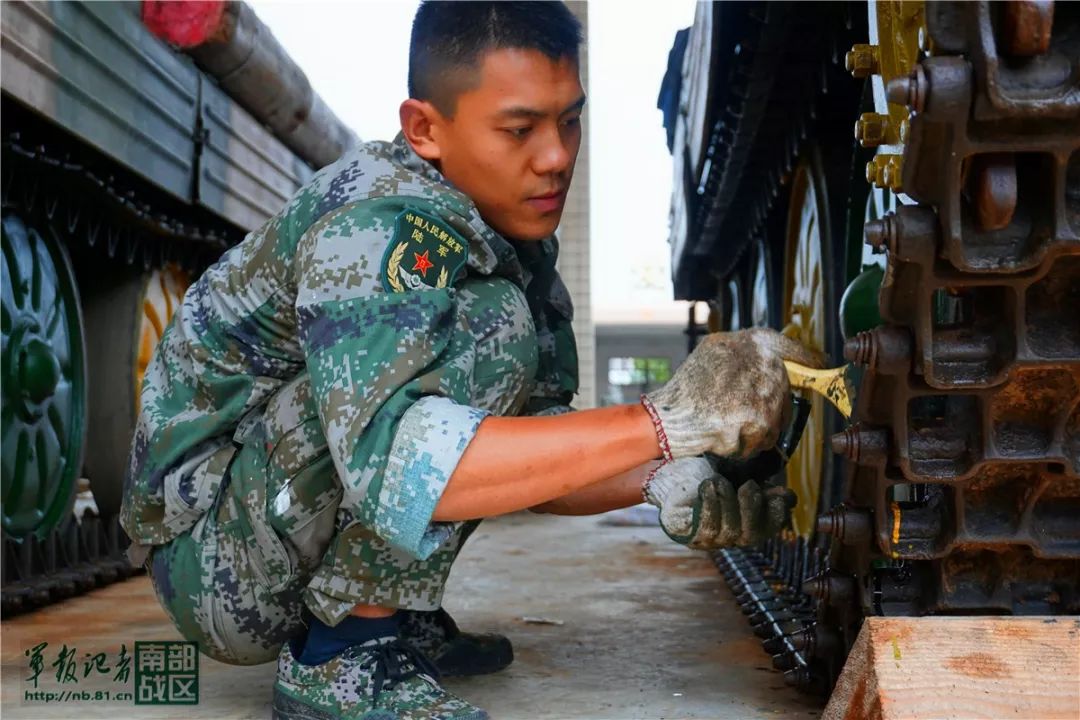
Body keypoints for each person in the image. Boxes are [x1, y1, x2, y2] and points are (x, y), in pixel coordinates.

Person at [120, 3, 818, 719]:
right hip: (213, 563)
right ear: (425, 128)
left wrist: (669, 471)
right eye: (519, 129)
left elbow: (535, 458)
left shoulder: (503, 231)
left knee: (494, 360)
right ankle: (341, 658)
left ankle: (390, 616)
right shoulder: (379, 225)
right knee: (488, 335)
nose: (555, 156)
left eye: (569, 121)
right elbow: (396, 465)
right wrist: (664, 419)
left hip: (267, 519)